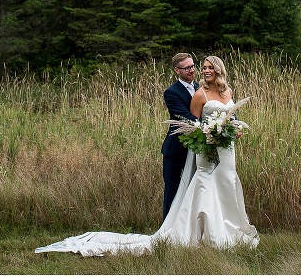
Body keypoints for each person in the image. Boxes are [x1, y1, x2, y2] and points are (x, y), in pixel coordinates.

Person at [34, 55, 259, 256]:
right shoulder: (191, 93)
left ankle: (230, 228)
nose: (200, 70)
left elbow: (231, 114)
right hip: (199, 147)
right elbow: (191, 121)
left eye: (204, 67)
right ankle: (193, 232)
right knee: (192, 188)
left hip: (225, 149)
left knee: (226, 184)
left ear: (219, 70)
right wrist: (209, 133)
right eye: (199, 67)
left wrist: (233, 128)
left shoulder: (226, 91)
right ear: (178, 71)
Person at [161, 52, 200, 219]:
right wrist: (207, 126)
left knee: (194, 188)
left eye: (192, 66)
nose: (191, 70)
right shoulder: (171, 92)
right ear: (177, 70)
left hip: (197, 148)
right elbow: (183, 115)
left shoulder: (201, 87)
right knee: (172, 189)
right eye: (187, 68)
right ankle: (166, 230)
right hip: (176, 148)